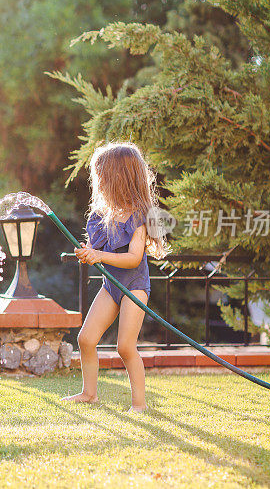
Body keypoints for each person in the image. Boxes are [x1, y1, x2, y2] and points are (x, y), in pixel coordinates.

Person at [61, 142, 168, 412]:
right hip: (111, 287)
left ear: (118, 178)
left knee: (125, 347)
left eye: (102, 176)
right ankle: (89, 393)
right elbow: (96, 251)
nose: (98, 183)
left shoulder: (140, 217)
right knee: (85, 339)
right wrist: (87, 253)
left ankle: (139, 405)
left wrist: (99, 256)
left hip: (134, 287)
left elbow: (133, 259)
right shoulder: (100, 216)